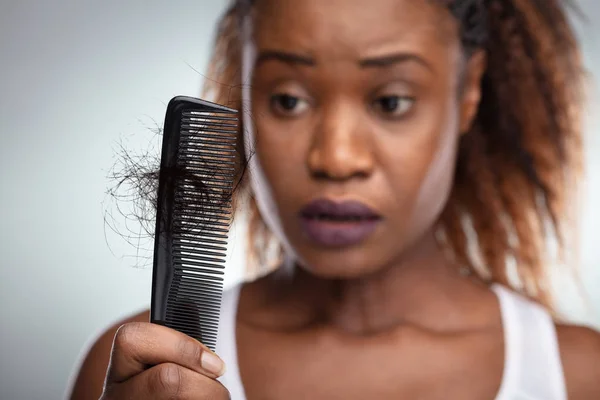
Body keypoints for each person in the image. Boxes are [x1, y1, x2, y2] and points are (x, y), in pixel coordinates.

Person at [69, 0, 600, 398]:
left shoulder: (578, 377)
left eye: (391, 101)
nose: (336, 157)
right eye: (288, 99)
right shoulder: (138, 372)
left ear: (469, 92)